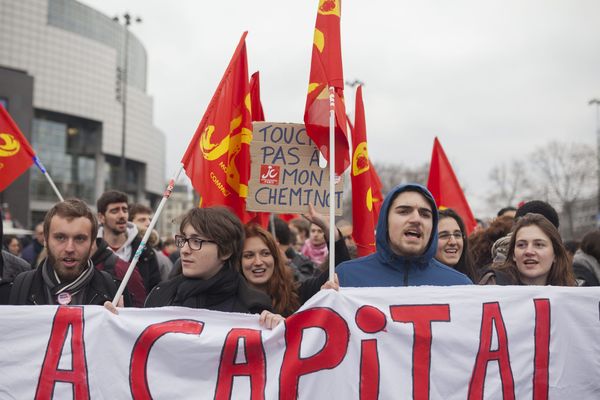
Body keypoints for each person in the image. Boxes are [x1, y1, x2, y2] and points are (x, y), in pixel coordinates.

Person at [143, 207, 277, 320]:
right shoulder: (160, 294)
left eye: (196, 241)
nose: (184, 250)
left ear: (226, 251)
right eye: (183, 239)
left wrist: (276, 327)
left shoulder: (253, 307)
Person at [336, 183, 472, 287]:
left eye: (425, 214)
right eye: (404, 211)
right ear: (385, 221)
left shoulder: (460, 285)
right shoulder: (346, 277)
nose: (416, 219)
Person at [9, 199, 120, 306]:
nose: (69, 248)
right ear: (46, 241)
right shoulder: (20, 287)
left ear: (92, 243)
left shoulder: (115, 291)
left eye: (80, 238)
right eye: (60, 237)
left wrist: (119, 322)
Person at [479, 213, 576, 286]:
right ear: (513, 254)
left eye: (538, 244)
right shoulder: (493, 285)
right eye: (521, 245)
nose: (529, 252)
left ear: (555, 254)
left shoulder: (571, 295)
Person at [96, 191, 160, 292]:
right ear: (101, 217)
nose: (122, 215)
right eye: (115, 211)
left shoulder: (144, 250)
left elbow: (155, 290)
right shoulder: (92, 249)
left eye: (125, 210)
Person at [129, 203, 174, 281]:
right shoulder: (122, 251)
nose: (148, 223)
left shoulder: (159, 257)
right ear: (129, 223)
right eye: (142, 220)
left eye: (149, 219)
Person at [435, 208, 477, 281]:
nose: (453, 242)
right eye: (444, 235)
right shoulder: (416, 285)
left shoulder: (474, 278)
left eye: (457, 235)